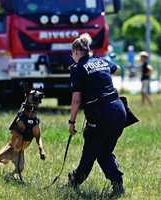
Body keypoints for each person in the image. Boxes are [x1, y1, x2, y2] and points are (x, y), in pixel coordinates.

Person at [67, 33, 127, 197]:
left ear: (77, 52)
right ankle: (118, 183)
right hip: (119, 110)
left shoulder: (78, 69)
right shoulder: (102, 60)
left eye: (72, 53)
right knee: (103, 151)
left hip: (102, 113)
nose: (72, 56)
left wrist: (72, 122)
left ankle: (75, 180)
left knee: (91, 150)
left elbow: (76, 100)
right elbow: (117, 68)